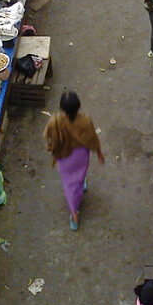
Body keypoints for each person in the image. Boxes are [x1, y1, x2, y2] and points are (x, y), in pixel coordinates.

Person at [43, 92, 105, 231]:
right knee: (80, 175)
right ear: (78, 107)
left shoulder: (55, 121)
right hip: (81, 156)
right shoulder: (85, 121)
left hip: (65, 157)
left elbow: (48, 137)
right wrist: (99, 153)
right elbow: (93, 138)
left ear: (62, 108)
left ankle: (74, 214)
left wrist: (53, 149)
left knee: (70, 186)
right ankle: (82, 184)